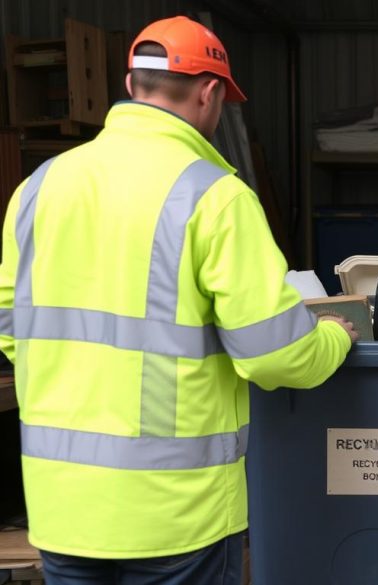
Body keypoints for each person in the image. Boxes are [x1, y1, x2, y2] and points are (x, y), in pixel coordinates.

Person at [0, 15, 356, 585]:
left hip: (63, 506)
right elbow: (272, 355)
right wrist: (335, 336)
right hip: (175, 513)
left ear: (131, 84)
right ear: (211, 93)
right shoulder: (213, 195)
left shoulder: (38, 187)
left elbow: (15, 333)